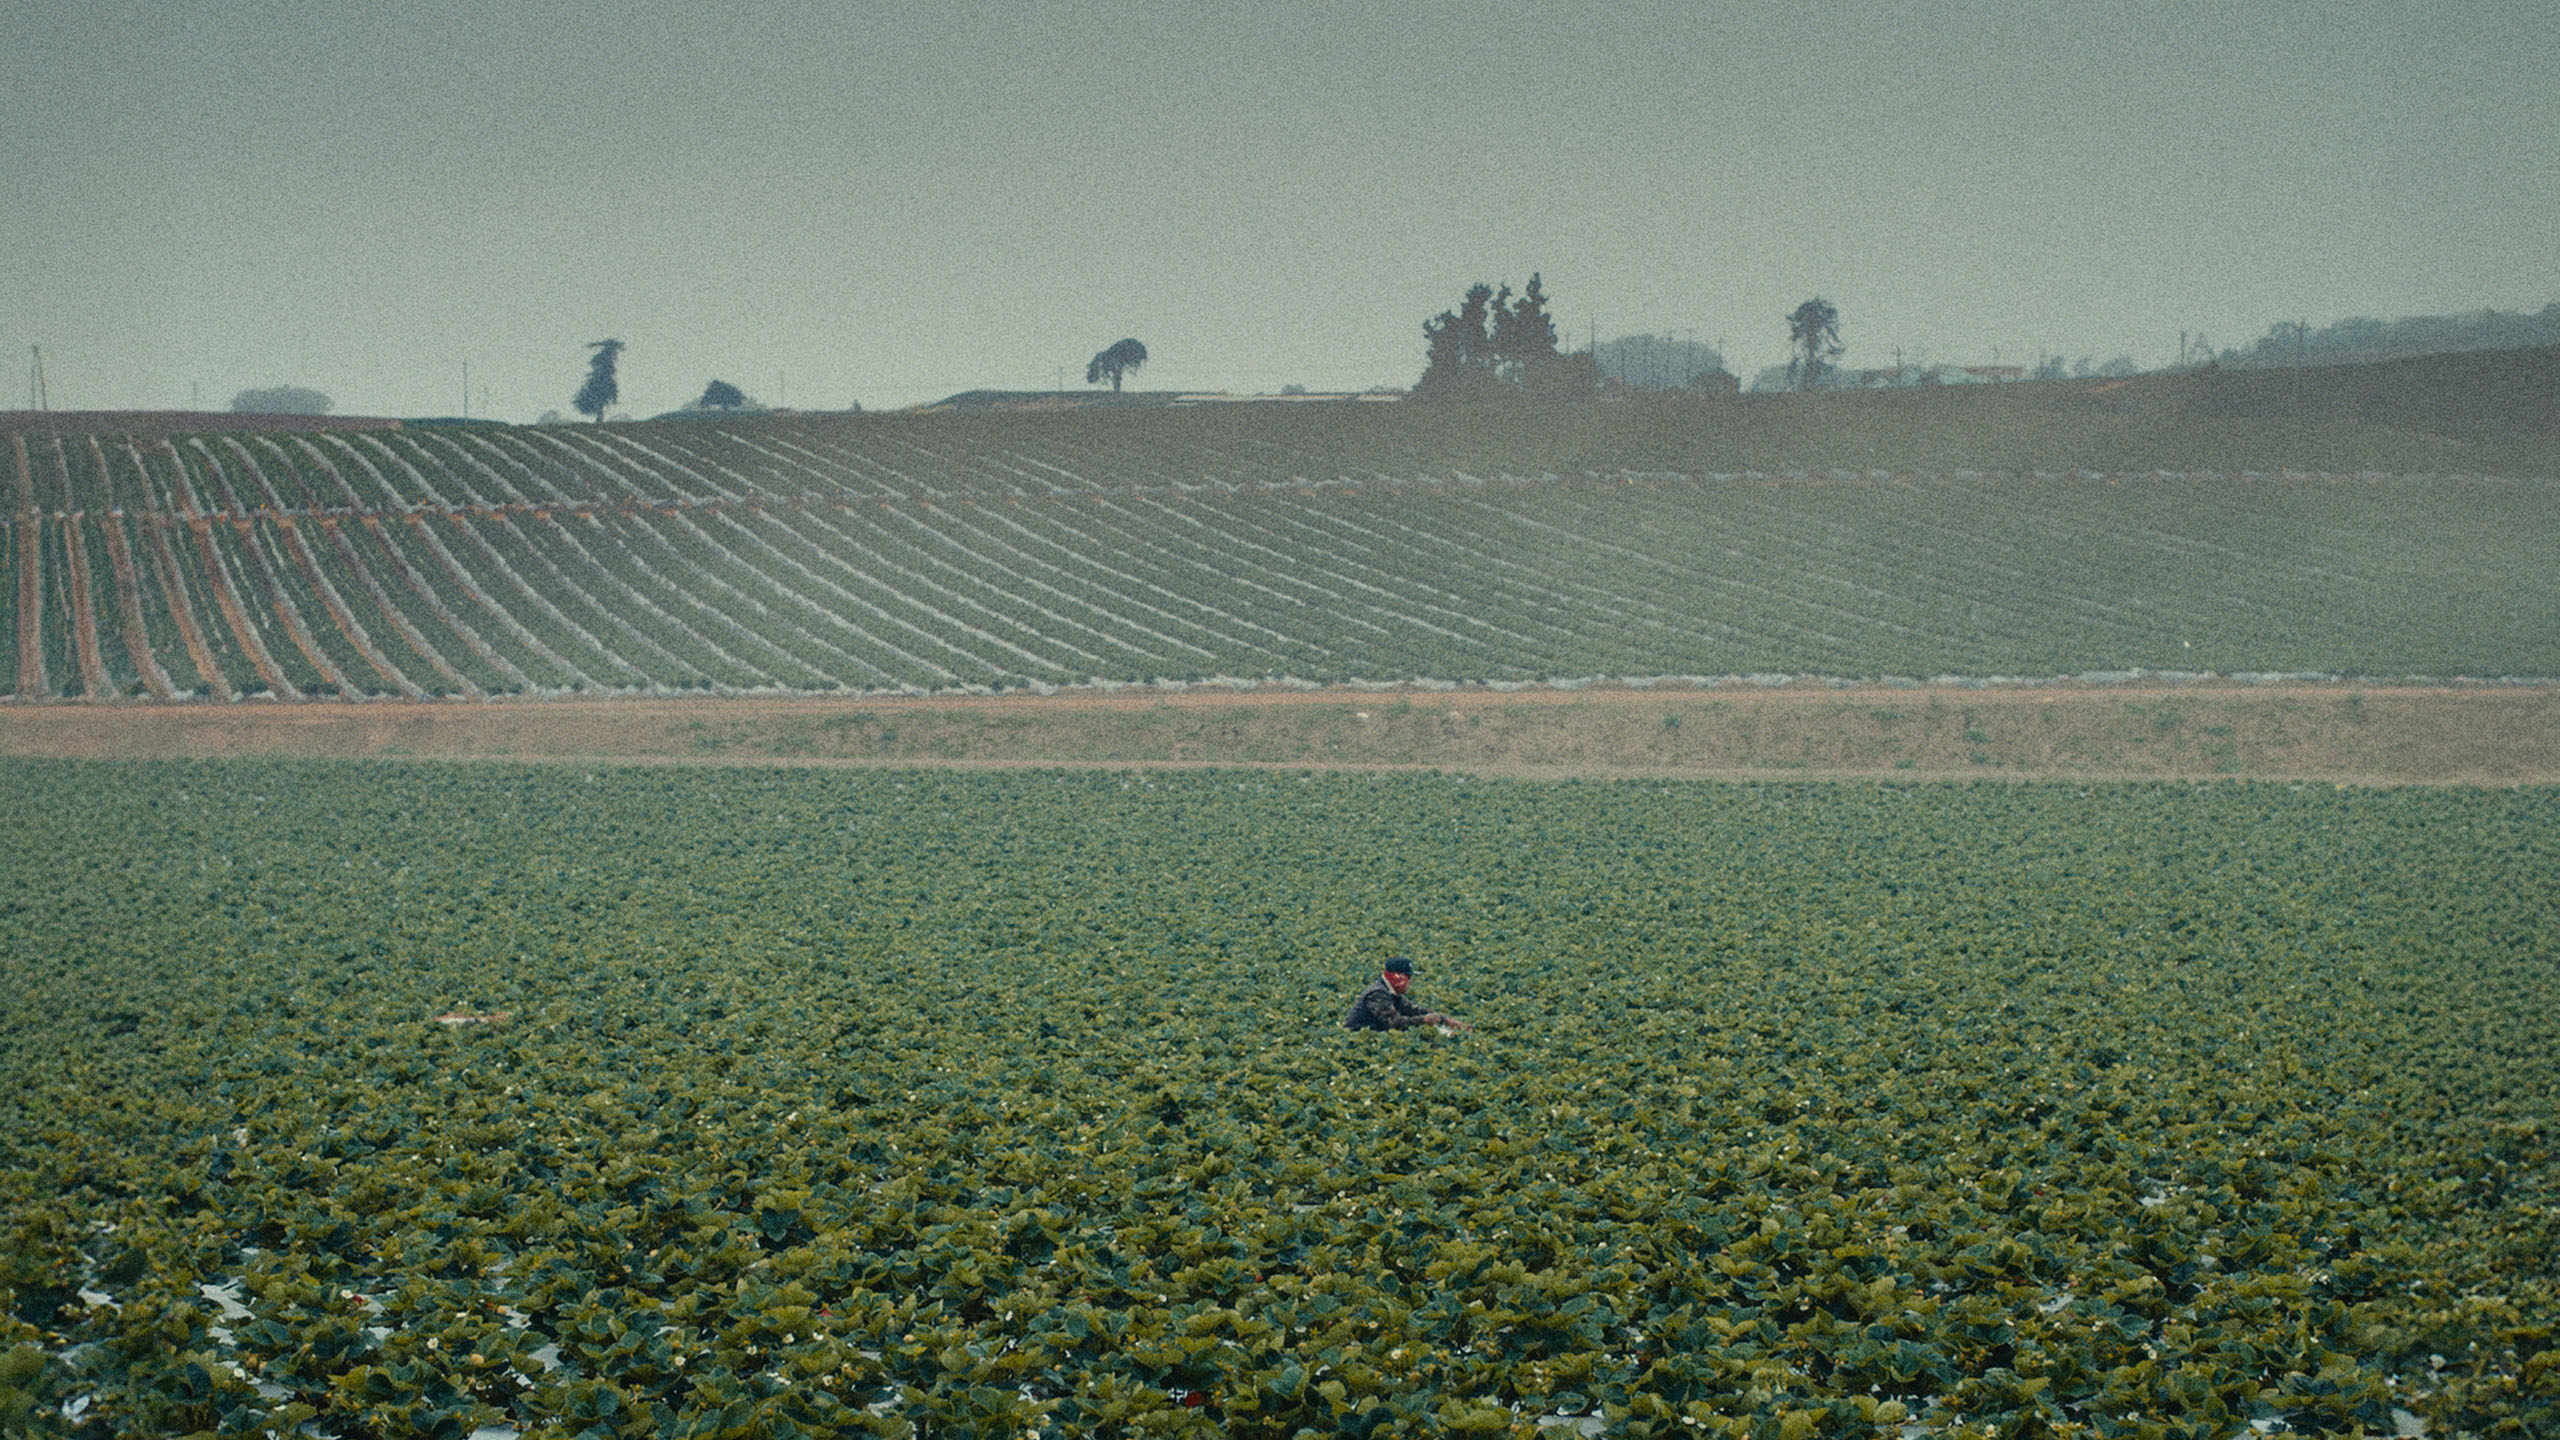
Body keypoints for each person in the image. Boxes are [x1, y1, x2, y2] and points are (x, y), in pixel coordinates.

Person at [1343, 957, 1469, 1033]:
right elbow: (1394, 1023)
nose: (1409, 982)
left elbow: (1411, 1010)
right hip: (1358, 1038)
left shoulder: (1391, 991)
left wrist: (1443, 1019)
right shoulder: (1378, 994)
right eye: (1408, 977)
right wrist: (1424, 1020)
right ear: (1396, 977)